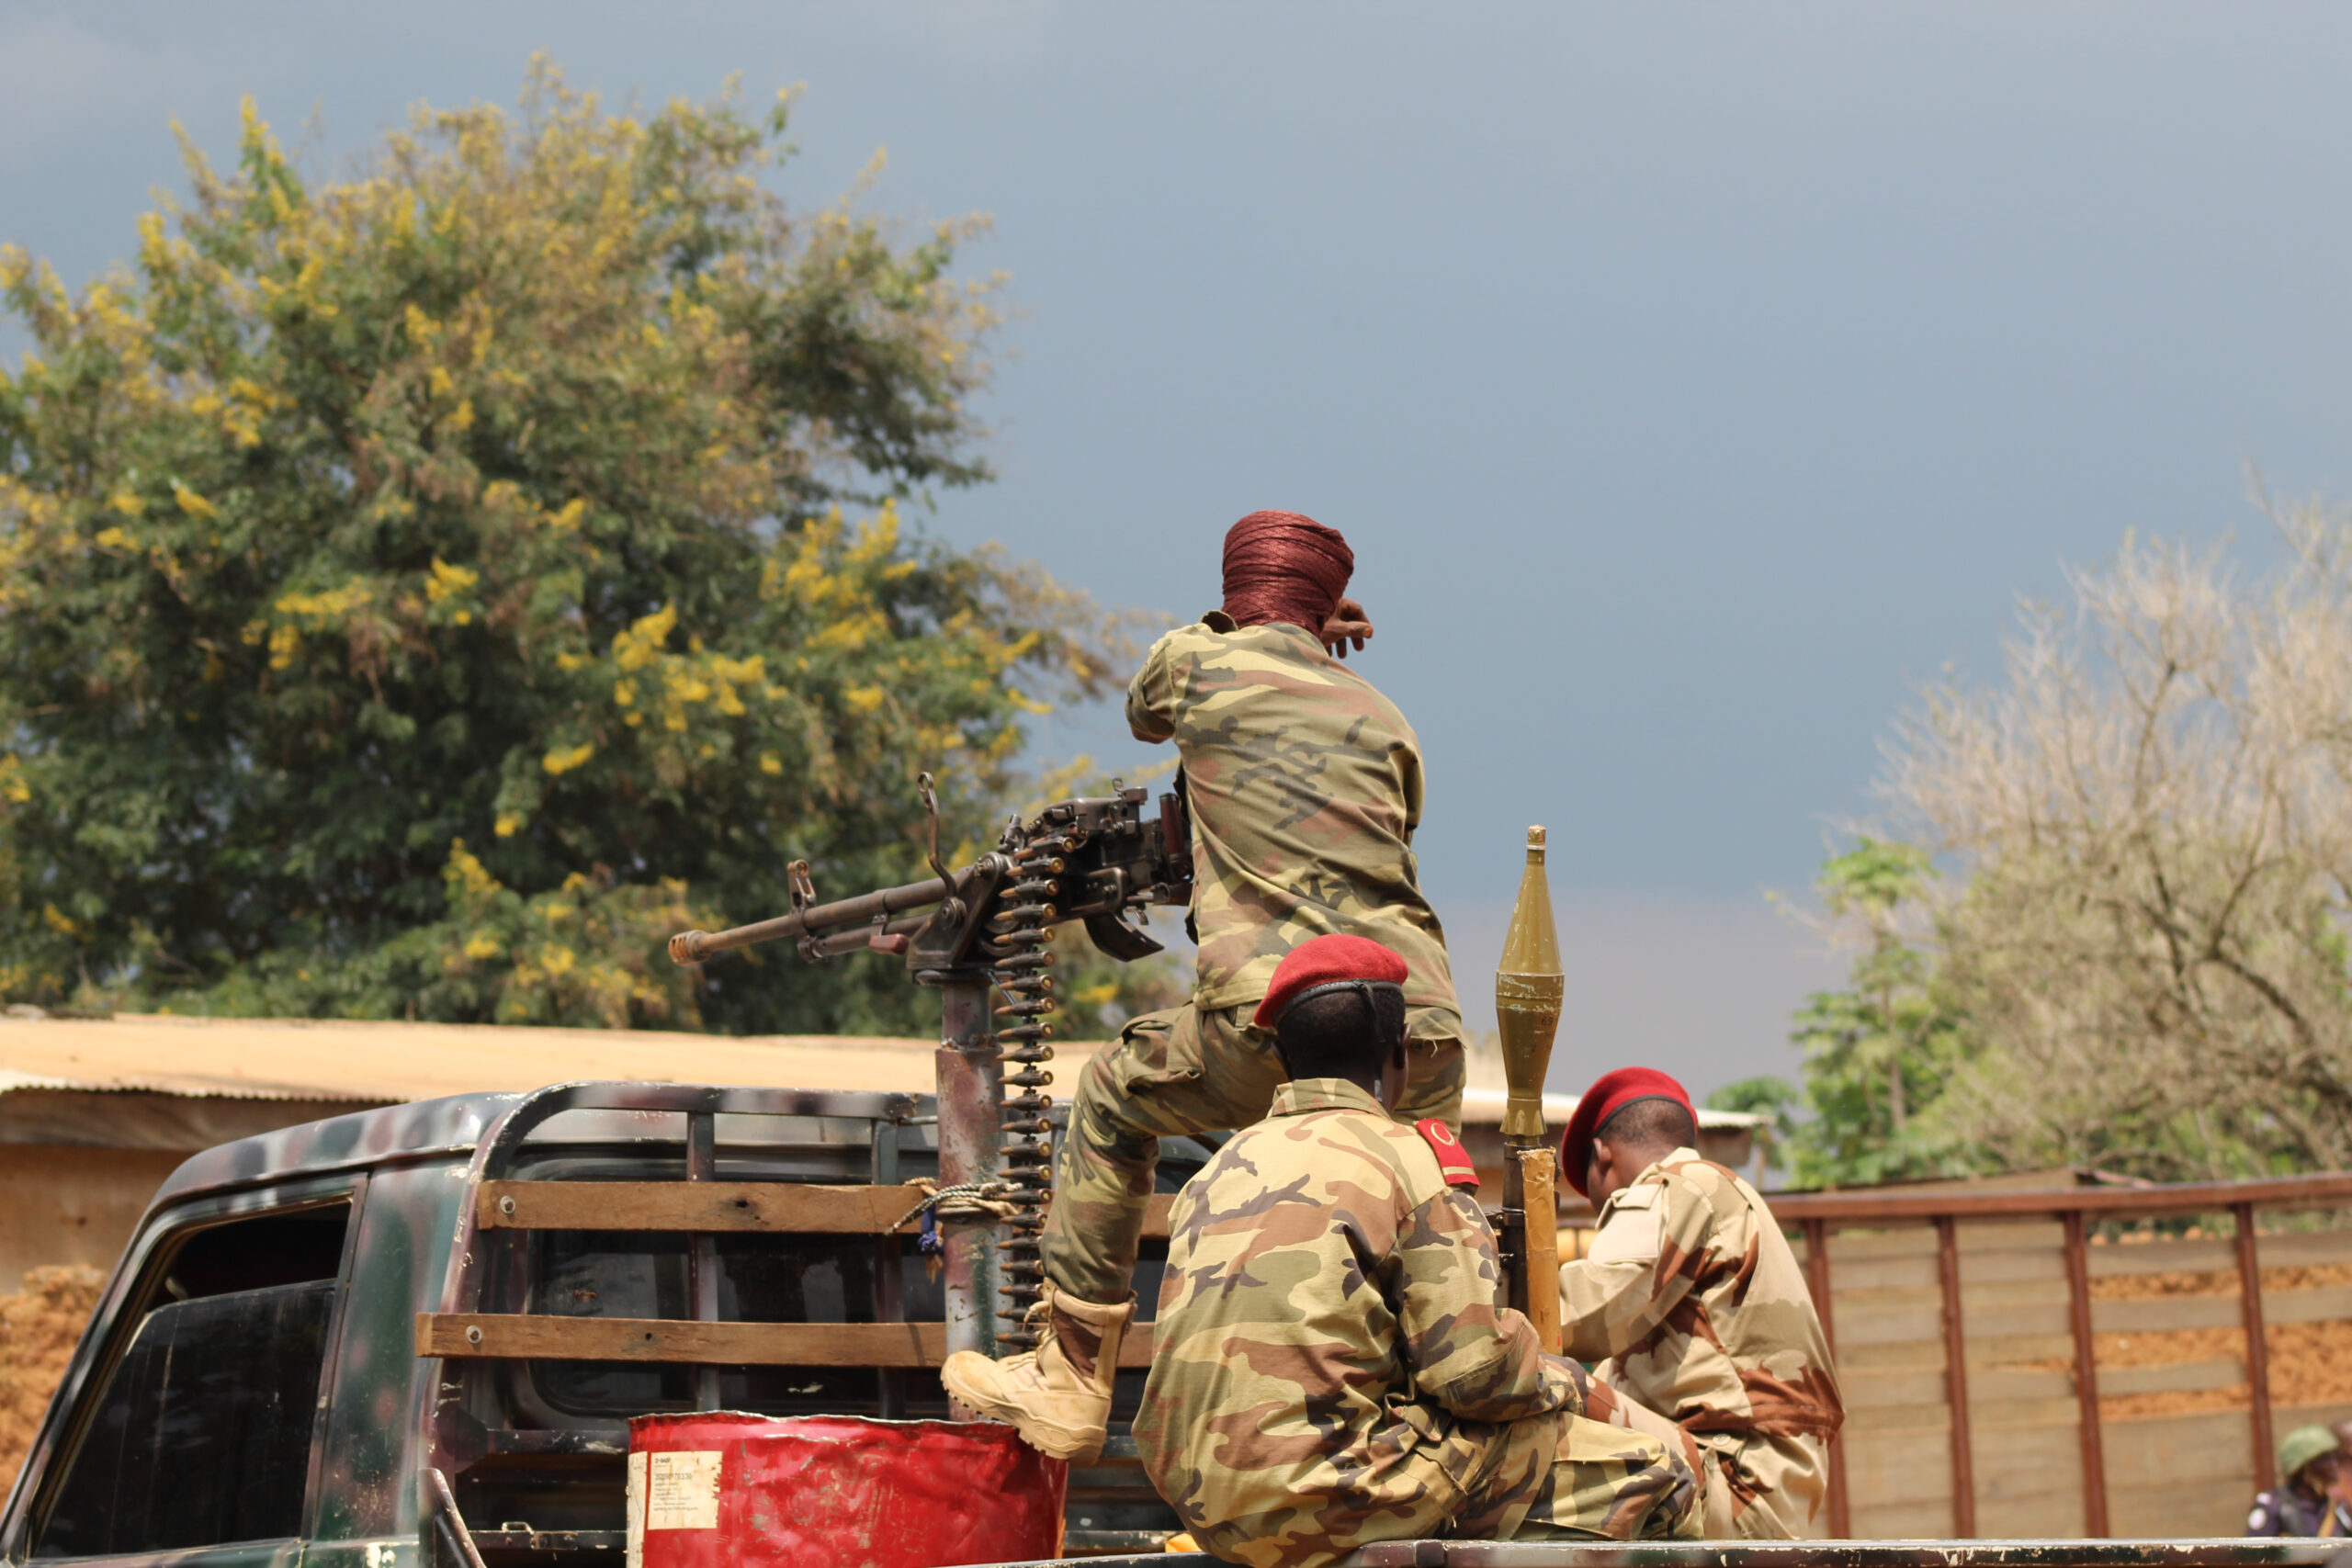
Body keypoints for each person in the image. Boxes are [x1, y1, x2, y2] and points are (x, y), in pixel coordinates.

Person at [944, 511, 1468, 1461]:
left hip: (1276, 1019)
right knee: (1409, 1209)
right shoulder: (1384, 715)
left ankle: (1066, 1377)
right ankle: (1443, 1413)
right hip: (1421, 1026)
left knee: (1113, 1094)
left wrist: (1250, 627)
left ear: (1233, 596)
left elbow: (1146, 707)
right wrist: (1306, 637)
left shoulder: (1199, 664)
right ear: (1322, 608)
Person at [1132, 935, 1700, 1568]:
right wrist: (1562, 1378)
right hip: (1337, 1493)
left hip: (1208, 1506)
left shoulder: (1215, 1173)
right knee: (1657, 1472)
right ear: (1397, 1051)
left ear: (1283, 1056)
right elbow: (1474, 1378)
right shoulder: (1403, 1158)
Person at [1555, 1067, 1844, 1540]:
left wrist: (1478, 1306)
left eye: (1591, 1192)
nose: (1597, 1209)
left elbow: (1577, 1313)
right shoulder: (1716, 1203)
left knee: (1551, 1389)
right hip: (1755, 1484)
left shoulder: (1678, 1185)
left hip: (1734, 1482)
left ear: (1603, 1156)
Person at [2248, 1426, 2352, 1536]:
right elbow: (2255, 1552)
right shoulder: (2274, 1507)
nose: (2333, 1465)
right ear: (2302, 1468)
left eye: (2334, 1458)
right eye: (2324, 1460)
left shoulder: (2335, 1506)